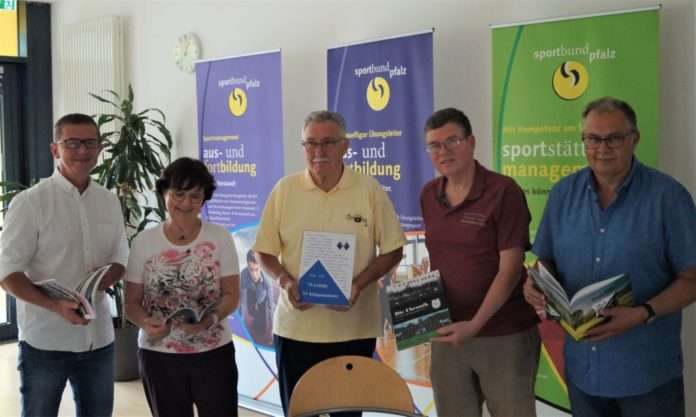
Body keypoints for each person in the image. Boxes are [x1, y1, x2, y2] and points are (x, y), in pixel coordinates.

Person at [523, 97, 696, 417]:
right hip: (583, 371)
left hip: (647, 372)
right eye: (593, 138)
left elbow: (691, 278)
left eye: (613, 138)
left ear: (634, 139)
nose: (602, 148)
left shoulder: (669, 197)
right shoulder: (563, 193)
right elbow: (545, 260)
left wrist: (643, 313)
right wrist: (535, 283)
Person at [253, 110, 406, 416]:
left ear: (345, 145)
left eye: (328, 142)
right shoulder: (285, 190)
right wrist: (285, 281)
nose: (319, 151)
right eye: (311, 143)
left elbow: (393, 249)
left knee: (347, 414)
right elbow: (264, 252)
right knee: (299, 413)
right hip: (296, 331)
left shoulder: (369, 190)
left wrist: (358, 284)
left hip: (353, 331)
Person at [0, 113, 128, 417]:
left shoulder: (109, 202)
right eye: (72, 143)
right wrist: (55, 305)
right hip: (46, 342)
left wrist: (106, 277)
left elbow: (121, 258)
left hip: (98, 341)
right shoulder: (30, 203)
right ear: (54, 149)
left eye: (90, 143)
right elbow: (7, 273)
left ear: (99, 149)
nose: (82, 151)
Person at [419, 108, 540, 417]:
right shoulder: (429, 194)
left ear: (471, 142)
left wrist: (475, 324)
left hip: (503, 333)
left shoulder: (503, 191)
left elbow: (510, 268)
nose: (443, 151)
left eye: (452, 141)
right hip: (448, 334)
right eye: (434, 145)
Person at [125, 157, 240, 417]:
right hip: (159, 355)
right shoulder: (144, 241)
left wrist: (209, 320)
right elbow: (131, 303)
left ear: (204, 199)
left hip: (213, 352)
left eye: (195, 196)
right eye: (179, 194)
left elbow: (231, 295)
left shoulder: (220, 238)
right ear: (164, 192)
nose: (186, 203)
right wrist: (145, 322)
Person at [239, 249, 276, 346]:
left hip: (262, 296)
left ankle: (260, 324)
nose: (254, 275)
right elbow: (243, 302)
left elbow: (270, 306)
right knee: (251, 311)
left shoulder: (267, 279)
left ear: (261, 267)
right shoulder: (243, 275)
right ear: (247, 266)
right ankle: (256, 321)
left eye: (257, 269)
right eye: (251, 269)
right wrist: (241, 327)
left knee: (262, 322)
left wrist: (272, 329)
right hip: (251, 292)